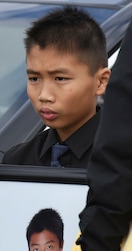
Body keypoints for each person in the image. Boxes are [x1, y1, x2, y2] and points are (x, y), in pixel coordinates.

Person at [0, 6, 111, 251]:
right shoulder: (17, 161)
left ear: (100, 81)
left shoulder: (118, 162)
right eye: (34, 78)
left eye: (60, 79)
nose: (44, 95)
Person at [77, 19, 132, 250]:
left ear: (102, 80)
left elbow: (119, 150)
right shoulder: (16, 156)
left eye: (61, 78)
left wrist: (97, 240)